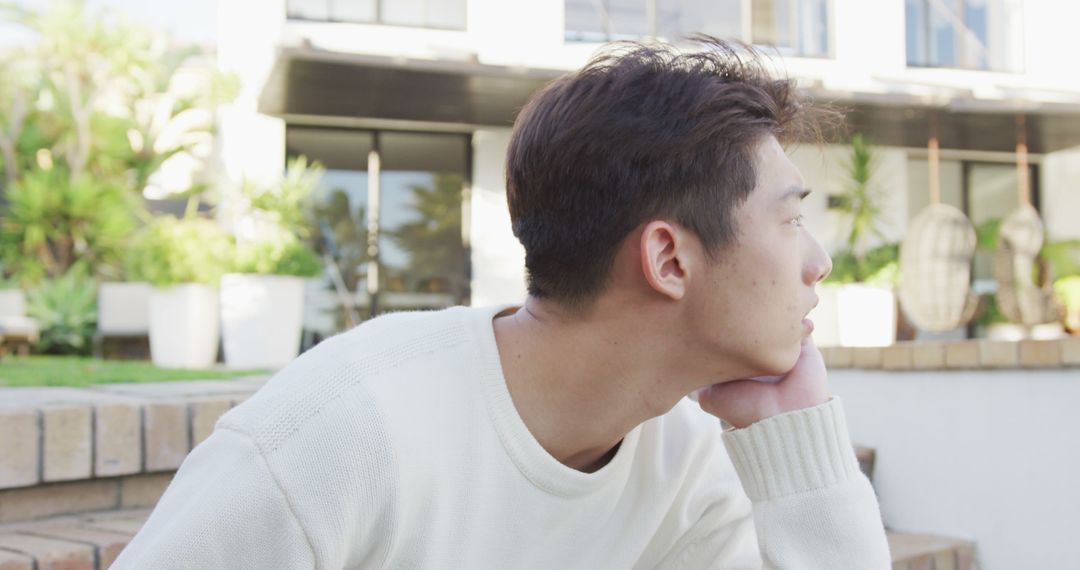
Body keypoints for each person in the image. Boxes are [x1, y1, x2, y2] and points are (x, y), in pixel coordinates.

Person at [113, 36, 891, 569]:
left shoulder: (682, 470)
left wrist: (808, 463)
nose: (817, 262)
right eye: (790, 220)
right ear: (667, 258)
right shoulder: (343, 434)